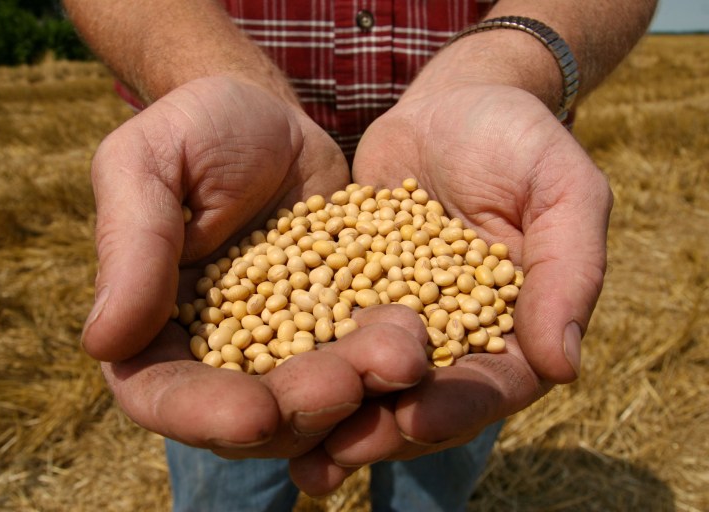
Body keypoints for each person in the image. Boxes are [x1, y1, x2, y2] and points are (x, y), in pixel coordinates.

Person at [64, 1, 657, 510]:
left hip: (474, 194)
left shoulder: (465, 273)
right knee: (232, 460)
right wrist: (211, 74)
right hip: (235, 202)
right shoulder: (248, 293)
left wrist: (501, 71)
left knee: (433, 469)